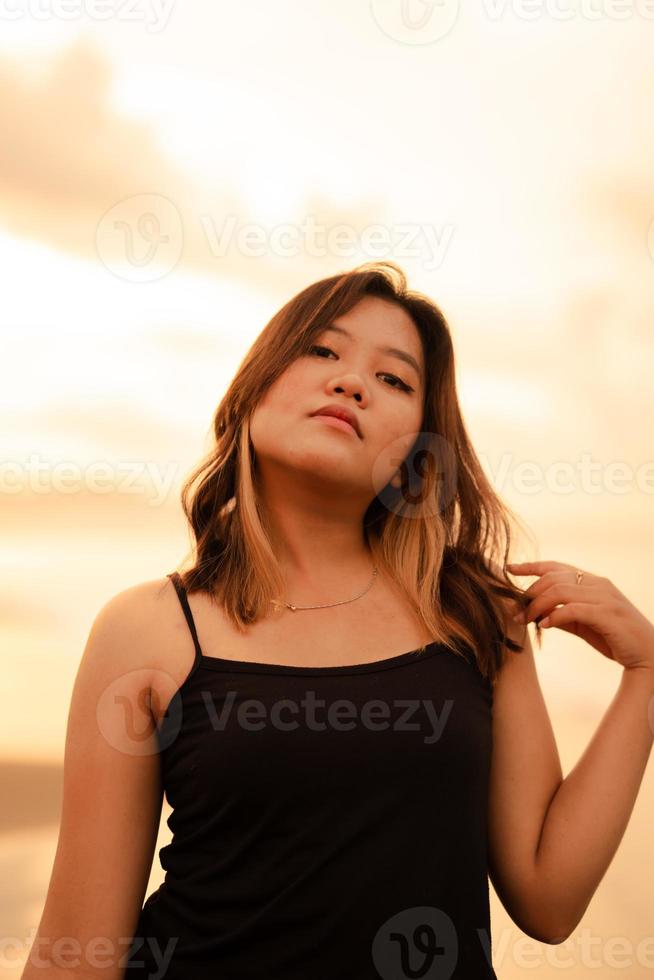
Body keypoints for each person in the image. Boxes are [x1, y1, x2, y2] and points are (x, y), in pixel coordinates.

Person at [22, 261, 654, 980]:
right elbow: (78, 954)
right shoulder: (148, 629)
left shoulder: (473, 616)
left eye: (394, 380)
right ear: (255, 386)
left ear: (418, 450)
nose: (351, 382)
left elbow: (549, 897)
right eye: (322, 351)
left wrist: (646, 674)